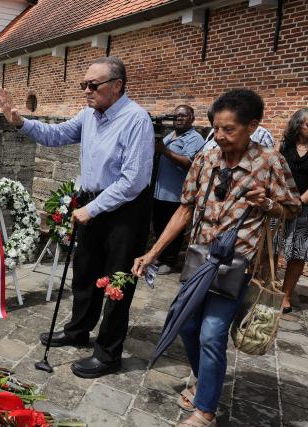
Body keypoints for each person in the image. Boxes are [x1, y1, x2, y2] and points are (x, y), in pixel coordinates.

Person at [132, 89, 300, 427]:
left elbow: (293, 208)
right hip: (198, 260)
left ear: (252, 126)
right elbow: (185, 209)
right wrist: (151, 254)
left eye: (228, 129)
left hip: (237, 266)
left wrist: (267, 203)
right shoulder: (206, 160)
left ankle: (205, 409)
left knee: (212, 333)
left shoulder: (271, 162)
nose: (220, 137)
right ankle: (203, 376)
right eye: (216, 129)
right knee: (186, 325)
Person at [0, 56, 154, 378]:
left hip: (124, 212)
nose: (86, 90)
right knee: (84, 271)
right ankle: (78, 330)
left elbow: (134, 180)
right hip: (90, 205)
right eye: (84, 84)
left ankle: (109, 354)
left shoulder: (137, 120)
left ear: (117, 86)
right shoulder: (89, 116)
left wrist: (90, 209)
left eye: (93, 85)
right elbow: (56, 135)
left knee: (115, 282)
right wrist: (20, 122)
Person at [153, 105, 205, 274]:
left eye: (183, 116)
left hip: (176, 194)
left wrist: (165, 151)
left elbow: (190, 163)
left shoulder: (195, 138)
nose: (179, 118)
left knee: (173, 230)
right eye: (176, 116)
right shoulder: (171, 135)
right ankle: (159, 257)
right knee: (160, 227)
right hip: (160, 192)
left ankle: (170, 261)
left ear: (192, 118)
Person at [277, 108, 308, 314]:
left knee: (298, 254)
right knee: (270, 248)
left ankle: (286, 295)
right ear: (298, 125)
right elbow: (275, 171)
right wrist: (282, 198)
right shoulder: (284, 145)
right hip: (280, 205)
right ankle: (266, 288)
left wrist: (300, 200)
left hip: (305, 209)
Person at [203, 108, 275, 151]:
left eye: (228, 129)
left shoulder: (262, 134)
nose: (218, 136)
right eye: (215, 127)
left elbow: (267, 162)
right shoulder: (213, 132)